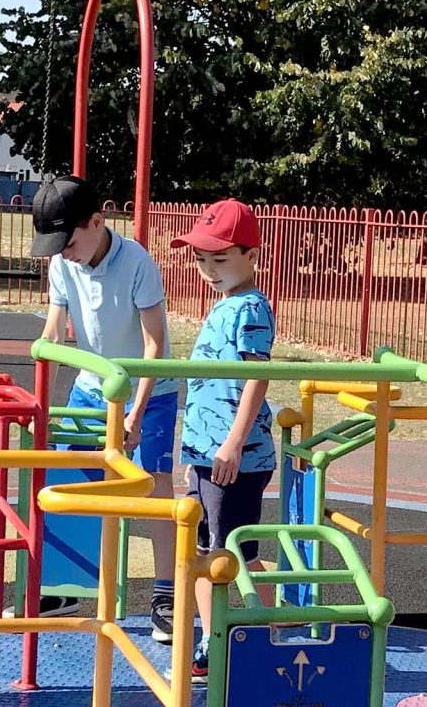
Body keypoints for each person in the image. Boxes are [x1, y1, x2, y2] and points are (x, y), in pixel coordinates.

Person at [28, 174, 178, 643]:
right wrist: (40, 407)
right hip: (93, 387)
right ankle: (64, 587)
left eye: (68, 241)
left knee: (155, 491)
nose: (63, 252)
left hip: (148, 391)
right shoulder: (62, 264)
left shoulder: (136, 262)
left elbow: (155, 345)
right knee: (69, 477)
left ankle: (166, 594)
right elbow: (54, 335)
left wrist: (136, 413)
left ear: (97, 222)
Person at [169, 198, 276, 682]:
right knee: (211, 547)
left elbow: (257, 377)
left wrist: (232, 442)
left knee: (223, 553)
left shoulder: (251, 307)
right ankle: (237, 632)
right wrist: (193, 451)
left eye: (220, 259)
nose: (209, 270)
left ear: (251, 255)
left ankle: (235, 641)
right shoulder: (225, 304)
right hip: (206, 452)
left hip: (234, 456)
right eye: (201, 260)